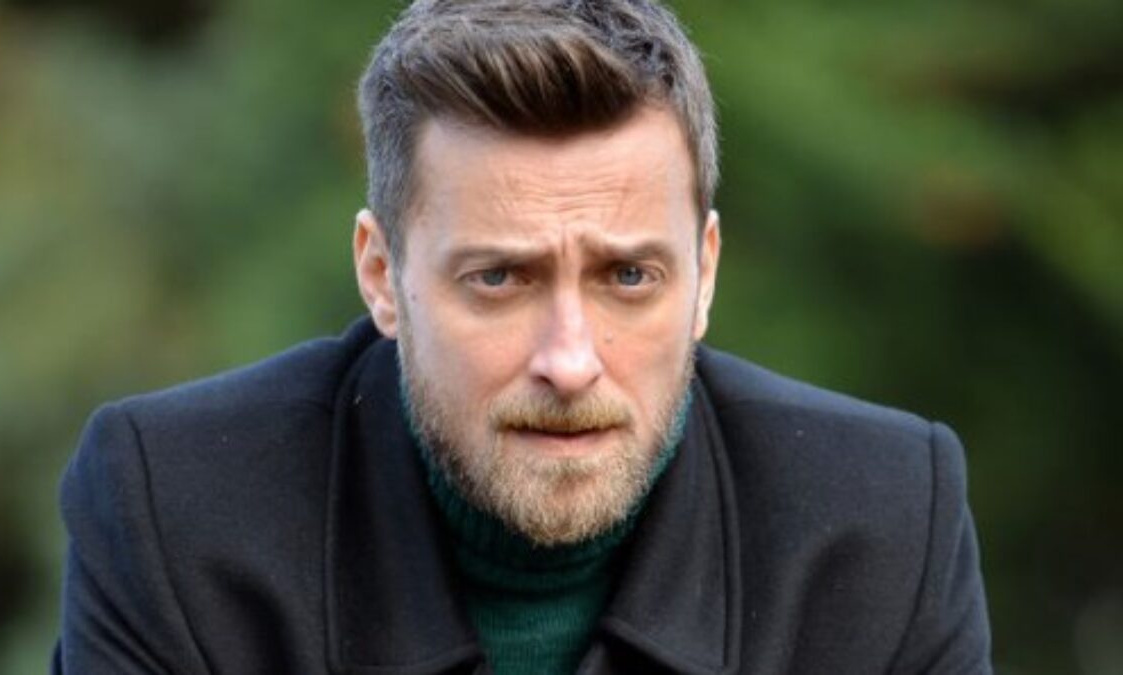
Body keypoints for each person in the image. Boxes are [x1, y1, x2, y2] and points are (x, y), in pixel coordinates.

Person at [53, 0, 992, 673]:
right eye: (499, 279)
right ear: (381, 274)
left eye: (629, 277)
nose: (570, 361)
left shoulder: (883, 532)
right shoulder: (173, 516)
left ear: (704, 273)